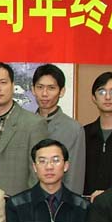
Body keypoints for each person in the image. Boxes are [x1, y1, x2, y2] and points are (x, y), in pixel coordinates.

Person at [0, 62, 49, 196]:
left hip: (16, 203)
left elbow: (38, 173)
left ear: (13, 86)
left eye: (3, 82)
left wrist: (27, 204)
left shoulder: (34, 124)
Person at [31, 64, 86, 194]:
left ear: (61, 91)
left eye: (51, 88)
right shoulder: (24, 125)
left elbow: (75, 176)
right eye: (40, 87)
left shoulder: (73, 129)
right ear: (33, 89)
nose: (44, 94)